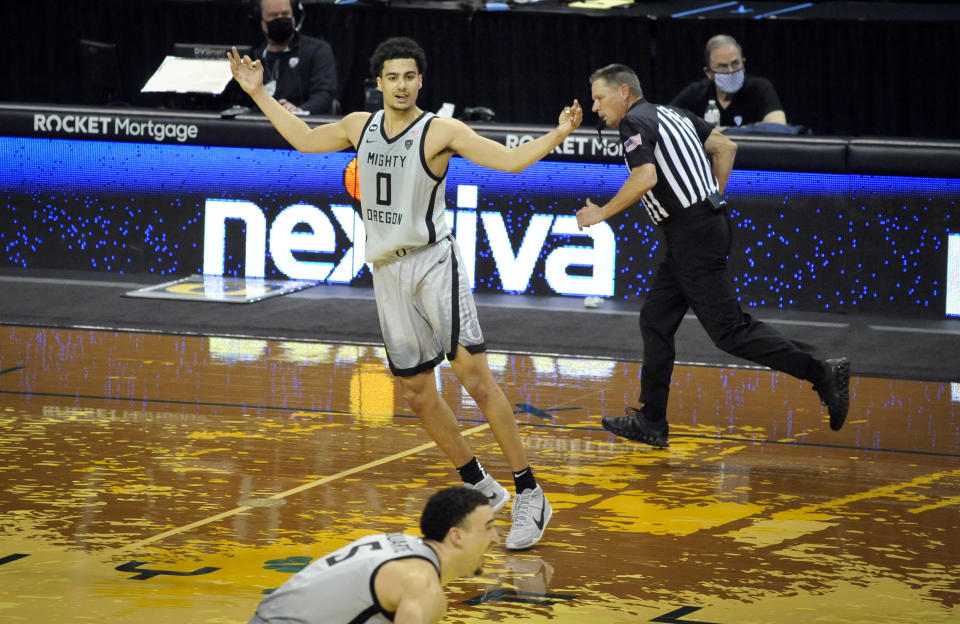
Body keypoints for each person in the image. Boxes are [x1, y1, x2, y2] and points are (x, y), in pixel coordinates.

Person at [228, 37, 582, 548]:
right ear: (379, 83)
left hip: (434, 263)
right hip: (387, 274)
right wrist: (259, 93)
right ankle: (480, 485)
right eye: (392, 76)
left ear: (421, 81)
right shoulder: (359, 126)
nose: (401, 85)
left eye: (409, 76)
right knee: (417, 394)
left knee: (475, 378)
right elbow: (303, 140)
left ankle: (530, 491)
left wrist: (561, 132)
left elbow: (509, 162)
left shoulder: (441, 130)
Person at [577, 63, 849, 448]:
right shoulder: (676, 113)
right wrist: (713, 196)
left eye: (599, 98)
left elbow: (645, 178)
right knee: (655, 318)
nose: (595, 107)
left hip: (691, 233)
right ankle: (652, 421)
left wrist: (600, 213)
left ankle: (820, 371)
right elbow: (725, 146)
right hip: (702, 226)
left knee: (730, 332)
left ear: (623, 92)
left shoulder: (633, 123)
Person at [248, 486, 497, 624]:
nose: (495, 538)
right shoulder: (421, 584)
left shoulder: (397, 542)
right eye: (488, 527)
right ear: (456, 535)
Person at [243, 0, 338, 115]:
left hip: (304, 126)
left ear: (294, 17)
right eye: (273, 16)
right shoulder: (253, 56)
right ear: (261, 21)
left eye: (285, 14)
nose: (280, 19)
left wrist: (298, 111)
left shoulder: (318, 50)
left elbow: (324, 95)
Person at [670, 34, 786, 128]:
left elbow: (778, 126)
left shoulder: (760, 88)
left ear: (744, 64)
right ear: (709, 73)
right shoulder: (696, 93)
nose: (730, 71)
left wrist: (724, 131)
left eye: (735, 64)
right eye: (723, 66)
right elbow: (665, 122)